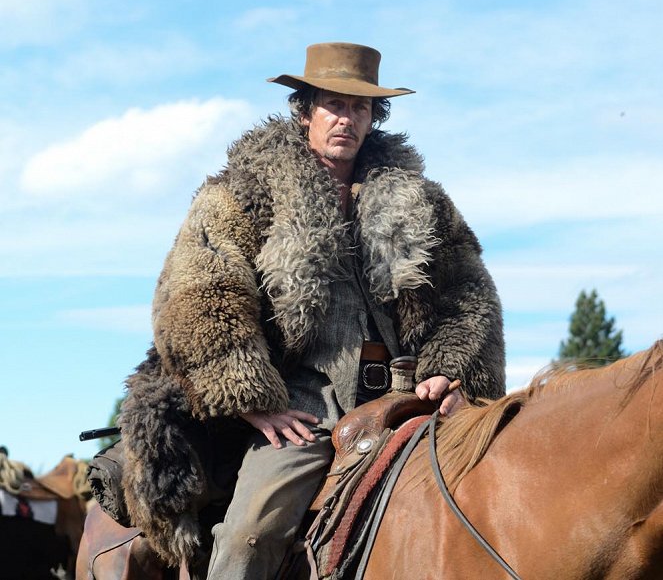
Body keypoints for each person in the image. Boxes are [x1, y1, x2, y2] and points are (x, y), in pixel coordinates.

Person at [119, 42, 506, 578]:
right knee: (250, 536)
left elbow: (468, 291)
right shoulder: (244, 193)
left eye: (360, 108)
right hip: (306, 406)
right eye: (333, 104)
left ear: (374, 118)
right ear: (305, 110)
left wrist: (450, 369)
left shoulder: (423, 199)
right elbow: (198, 294)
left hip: (407, 394)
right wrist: (251, 399)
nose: (346, 119)